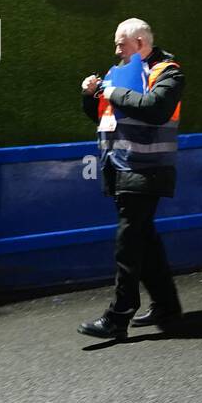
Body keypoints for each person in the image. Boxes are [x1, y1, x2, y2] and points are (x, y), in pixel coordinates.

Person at [78, 19, 184, 340]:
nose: (116, 50)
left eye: (121, 44)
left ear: (139, 42)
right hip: (121, 167)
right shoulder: (118, 73)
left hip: (145, 168)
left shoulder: (168, 72)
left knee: (129, 243)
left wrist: (110, 90)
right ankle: (167, 305)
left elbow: (155, 109)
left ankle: (119, 314)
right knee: (144, 239)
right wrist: (90, 94)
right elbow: (102, 114)